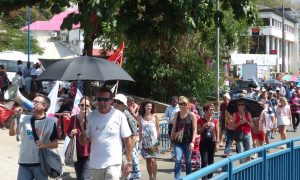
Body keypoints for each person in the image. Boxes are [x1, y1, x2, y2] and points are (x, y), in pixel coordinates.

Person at [79, 87, 132, 180]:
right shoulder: (90, 117)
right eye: (99, 99)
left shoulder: (119, 115)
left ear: (111, 101)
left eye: (105, 100)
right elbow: (83, 142)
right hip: (96, 164)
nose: (102, 102)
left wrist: (129, 162)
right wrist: (83, 131)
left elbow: (127, 139)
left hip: (114, 162)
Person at [9, 94, 59, 180]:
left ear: (44, 106)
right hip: (24, 162)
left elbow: (55, 144)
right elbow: (12, 133)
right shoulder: (24, 118)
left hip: (40, 164)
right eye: (33, 101)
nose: (33, 103)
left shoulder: (50, 122)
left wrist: (44, 145)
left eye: (36, 102)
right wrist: (14, 117)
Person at [113, 94, 141, 180]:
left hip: (124, 152)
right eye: (115, 101)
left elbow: (133, 135)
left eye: (119, 102)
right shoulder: (112, 115)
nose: (116, 104)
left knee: (124, 175)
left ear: (124, 105)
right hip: (114, 150)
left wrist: (129, 152)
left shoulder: (127, 116)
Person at [171, 96, 197, 180]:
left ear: (186, 104)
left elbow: (194, 129)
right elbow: (174, 128)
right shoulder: (176, 114)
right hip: (178, 141)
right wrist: (171, 140)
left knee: (188, 161)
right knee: (178, 159)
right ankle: (177, 178)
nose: (180, 105)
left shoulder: (192, 115)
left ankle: (189, 177)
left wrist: (193, 142)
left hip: (188, 141)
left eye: (182, 103)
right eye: (179, 103)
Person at [66, 97, 91, 180]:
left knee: (85, 177)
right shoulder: (73, 118)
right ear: (78, 106)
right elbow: (68, 132)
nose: (84, 107)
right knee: (79, 176)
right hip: (76, 152)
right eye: (82, 105)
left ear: (90, 107)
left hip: (90, 152)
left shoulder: (92, 119)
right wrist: (71, 133)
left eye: (87, 105)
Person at [138, 101, 160, 180]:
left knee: (153, 160)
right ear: (144, 107)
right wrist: (139, 142)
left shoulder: (155, 116)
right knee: (148, 160)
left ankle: (154, 177)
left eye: (150, 106)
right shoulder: (140, 117)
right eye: (147, 106)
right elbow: (140, 131)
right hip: (145, 142)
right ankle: (150, 176)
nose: (149, 108)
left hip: (154, 142)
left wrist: (158, 139)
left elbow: (158, 128)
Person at [197, 103, 219, 179]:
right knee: (204, 161)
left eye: (213, 109)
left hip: (212, 143)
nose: (212, 111)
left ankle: (210, 177)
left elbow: (217, 132)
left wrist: (217, 142)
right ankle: (204, 178)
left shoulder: (215, 120)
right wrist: (205, 125)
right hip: (203, 143)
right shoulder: (200, 120)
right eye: (211, 109)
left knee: (211, 161)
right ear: (205, 111)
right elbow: (198, 132)